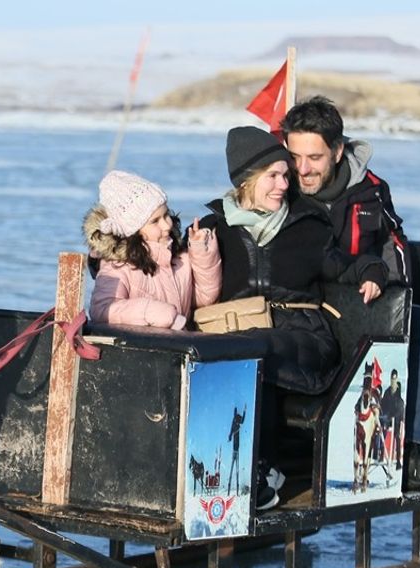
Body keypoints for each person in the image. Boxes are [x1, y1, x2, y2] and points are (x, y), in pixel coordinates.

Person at [200, 126, 387, 510]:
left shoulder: (308, 226)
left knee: (256, 350)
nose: (285, 184)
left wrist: (373, 270)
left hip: (304, 337)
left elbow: (346, 265)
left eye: (286, 175)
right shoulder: (215, 228)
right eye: (273, 175)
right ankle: (205, 466)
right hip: (240, 332)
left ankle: (262, 472)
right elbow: (158, 261)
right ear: (246, 180)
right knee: (228, 353)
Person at [281, 96, 420, 490]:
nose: (302, 169)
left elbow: (395, 245)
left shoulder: (371, 191)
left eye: (314, 158)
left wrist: (395, 299)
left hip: (363, 305)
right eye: (295, 156)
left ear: (338, 151)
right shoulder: (280, 186)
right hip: (304, 312)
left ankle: (408, 455)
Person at [85, 170, 221, 330]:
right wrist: (151, 312)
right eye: (155, 221)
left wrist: (201, 252)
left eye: (166, 215)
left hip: (179, 347)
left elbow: (204, 298)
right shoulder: (117, 267)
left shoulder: (179, 258)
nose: (167, 225)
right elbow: (102, 310)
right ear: (132, 231)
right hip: (141, 350)